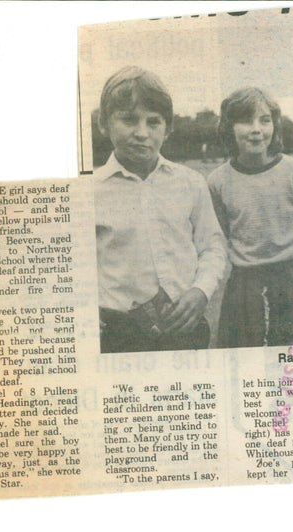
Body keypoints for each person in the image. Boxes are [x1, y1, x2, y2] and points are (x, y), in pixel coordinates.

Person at [95, 66, 228, 353]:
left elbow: (212, 247)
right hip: (119, 335)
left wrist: (201, 291)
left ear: (168, 129)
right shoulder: (90, 191)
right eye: (129, 120)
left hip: (184, 329)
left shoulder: (191, 182)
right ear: (104, 124)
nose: (142, 133)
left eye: (153, 122)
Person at [208, 87, 293, 347]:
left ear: (274, 125)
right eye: (246, 121)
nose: (256, 129)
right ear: (229, 127)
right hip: (246, 285)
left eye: (265, 120)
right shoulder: (217, 181)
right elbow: (222, 237)